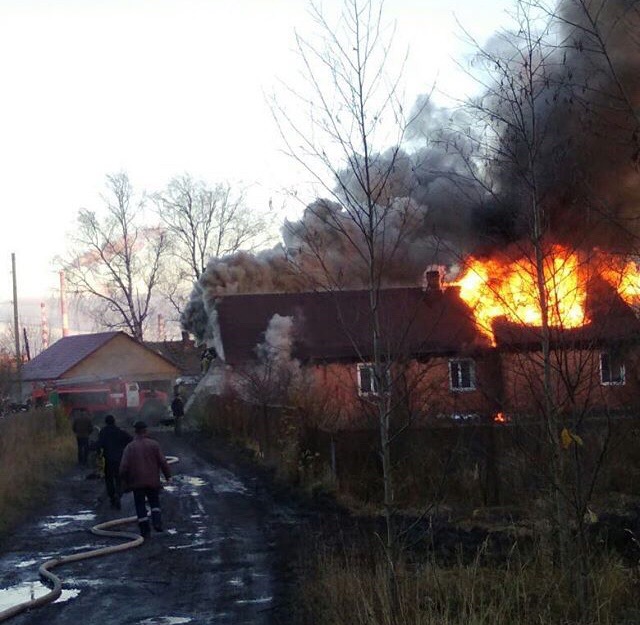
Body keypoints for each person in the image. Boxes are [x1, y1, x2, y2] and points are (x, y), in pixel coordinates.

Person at [119, 421, 171, 538]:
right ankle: (157, 523)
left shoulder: (130, 447)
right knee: (154, 502)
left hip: (136, 482)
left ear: (135, 432)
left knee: (140, 504)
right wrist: (168, 476)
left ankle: (144, 529)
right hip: (153, 481)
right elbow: (163, 462)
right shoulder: (154, 445)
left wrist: (124, 480)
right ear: (146, 431)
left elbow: (123, 467)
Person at [95, 414, 132, 510]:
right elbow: (130, 440)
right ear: (114, 421)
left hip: (108, 460)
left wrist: (95, 450)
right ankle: (118, 495)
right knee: (119, 479)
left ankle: (112, 497)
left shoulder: (103, 432)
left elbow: (100, 444)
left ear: (106, 422)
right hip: (120, 460)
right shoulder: (119, 431)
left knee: (109, 480)